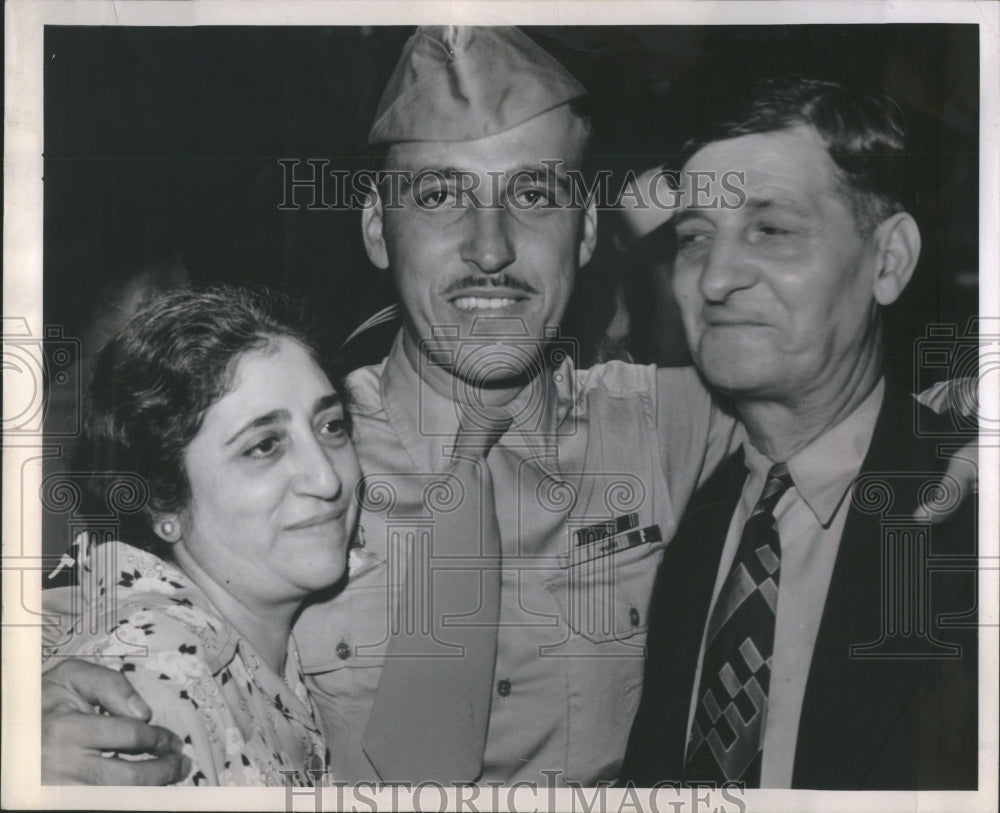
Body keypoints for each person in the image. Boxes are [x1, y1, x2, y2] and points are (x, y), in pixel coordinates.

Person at [40, 31, 974, 788]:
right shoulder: (295, 466)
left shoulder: (669, 424)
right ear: (376, 227)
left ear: (588, 230)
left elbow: (847, 402)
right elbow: (130, 591)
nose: (489, 248)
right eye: (439, 195)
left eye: (534, 194)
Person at [620, 77, 978, 789]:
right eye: (695, 238)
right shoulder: (688, 515)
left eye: (771, 229)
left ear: (889, 261)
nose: (715, 278)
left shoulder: (970, 522)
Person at [42, 286, 361, 785]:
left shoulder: (265, 641)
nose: (327, 478)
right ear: (165, 502)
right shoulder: (152, 682)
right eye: (264, 446)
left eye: (331, 426)